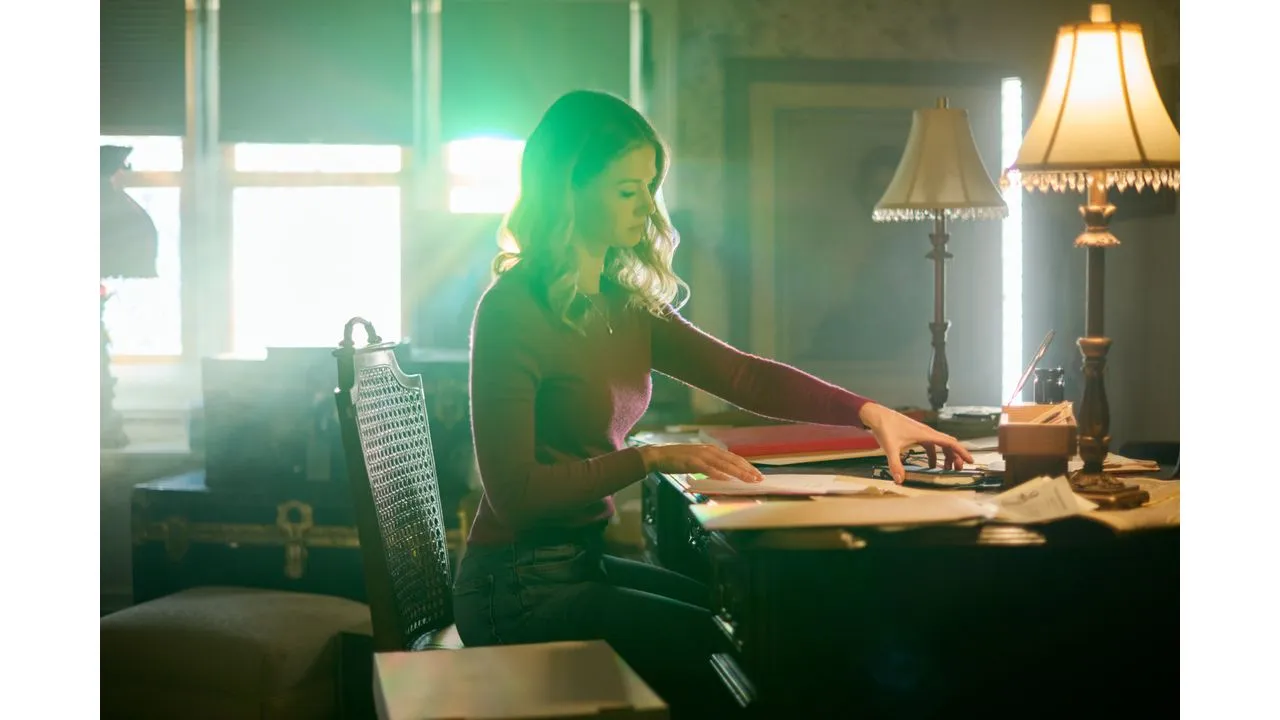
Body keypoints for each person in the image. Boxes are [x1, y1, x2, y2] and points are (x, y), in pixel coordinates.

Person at [451, 89, 975, 717]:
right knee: (731, 652)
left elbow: (746, 379)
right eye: (627, 190)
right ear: (569, 190)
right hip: (513, 588)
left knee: (747, 624)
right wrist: (649, 459)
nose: (647, 205)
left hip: (579, 563)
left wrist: (873, 414)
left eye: (650, 185)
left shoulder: (623, 302)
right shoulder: (511, 311)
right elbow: (515, 494)